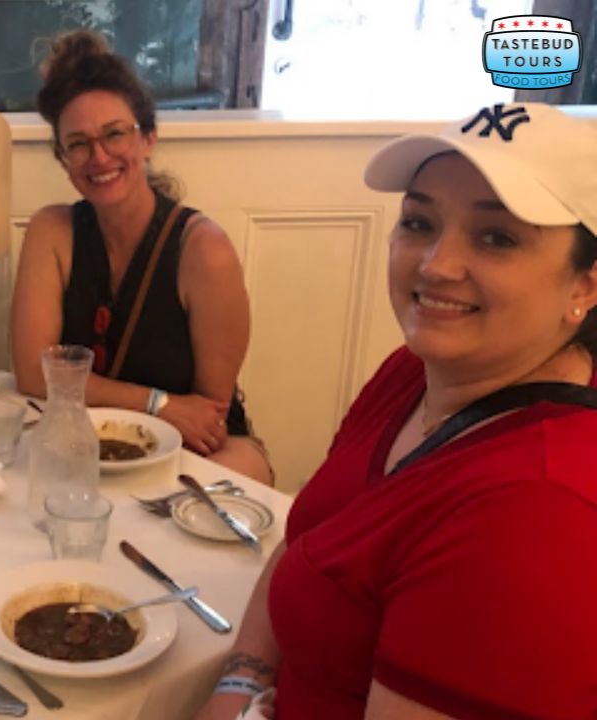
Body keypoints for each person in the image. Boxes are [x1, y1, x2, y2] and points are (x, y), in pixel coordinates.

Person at [193, 103, 597, 720]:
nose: (436, 264)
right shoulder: (413, 373)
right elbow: (309, 536)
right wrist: (241, 683)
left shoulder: (537, 511)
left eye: (497, 237)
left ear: (585, 286)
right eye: (419, 222)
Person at [11, 30, 270, 483]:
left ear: (148, 138)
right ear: (63, 158)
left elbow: (209, 414)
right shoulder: (51, 231)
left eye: (114, 134)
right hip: (88, 439)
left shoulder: (204, 249)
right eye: (78, 143)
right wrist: (158, 404)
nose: (99, 156)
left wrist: (157, 414)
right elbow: (34, 375)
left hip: (194, 446)